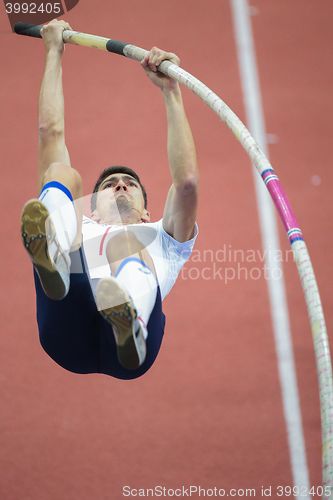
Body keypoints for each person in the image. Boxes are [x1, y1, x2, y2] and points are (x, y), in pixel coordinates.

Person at [21, 19, 199, 380]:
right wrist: (53, 51)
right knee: (61, 173)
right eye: (110, 185)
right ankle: (53, 260)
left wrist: (171, 92)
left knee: (128, 245)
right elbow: (49, 132)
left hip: (133, 349)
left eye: (129, 183)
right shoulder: (80, 221)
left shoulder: (165, 240)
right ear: (92, 206)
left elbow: (187, 183)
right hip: (65, 319)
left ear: (148, 209)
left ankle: (128, 321)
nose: (119, 186)